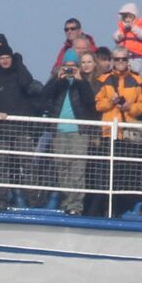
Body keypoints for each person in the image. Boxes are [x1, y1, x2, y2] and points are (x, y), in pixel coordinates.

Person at [0, 44, 47, 208]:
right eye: (2, 58)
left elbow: (27, 82)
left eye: (8, 57)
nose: (5, 61)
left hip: (20, 128)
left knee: (27, 164)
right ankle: (1, 199)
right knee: (1, 166)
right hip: (0, 129)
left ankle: (33, 199)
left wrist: (19, 62)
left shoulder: (18, 72)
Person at [43, 50, 102, 215]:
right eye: (67, 67)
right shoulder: (57, 82)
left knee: (77, 171)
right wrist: (57, 80)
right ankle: (67, 203)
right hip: (59, 132)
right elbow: (44, 96)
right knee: (62, 169)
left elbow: (90, 101)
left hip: (78, 133)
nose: (69, 70)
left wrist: (79, 80)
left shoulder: (83, 82)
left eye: (73, 67)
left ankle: (76, 206)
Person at [94, 48, 142, 215]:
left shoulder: (137, 80)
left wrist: (130, 108)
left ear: (128, 60)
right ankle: (105, 211)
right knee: (105, 175)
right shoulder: (103, 79)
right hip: (108, 132)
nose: (120, 63)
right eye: (117, 59)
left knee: (126, 174)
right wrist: (110, 102)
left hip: (128, 134)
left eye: (123, 59)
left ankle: (122, 211)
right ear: (112, 60)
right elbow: (97, 104)